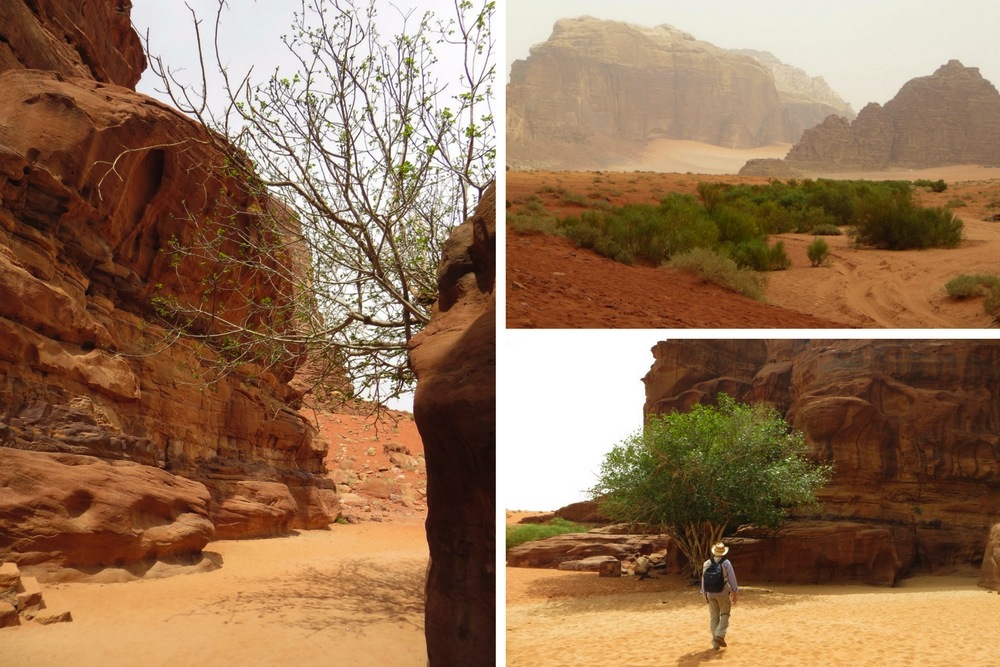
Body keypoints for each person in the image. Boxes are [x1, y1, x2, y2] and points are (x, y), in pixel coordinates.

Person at [701, 541, 739, 650]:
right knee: (725, 614)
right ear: (723, 552)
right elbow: (732, 578)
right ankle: (719, 635)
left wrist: (704, 593)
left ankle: (715, 644)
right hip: (722, 592)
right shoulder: (726, 563)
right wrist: (734, 592)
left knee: (714, 617)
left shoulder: (706, 563)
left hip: (710, 593)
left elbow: (703, 579)